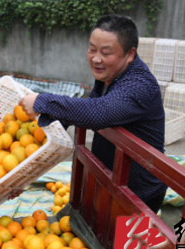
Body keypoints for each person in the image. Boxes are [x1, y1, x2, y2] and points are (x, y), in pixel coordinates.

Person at [19, 14, 167, 213]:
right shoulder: (110, 74)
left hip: (138, 194)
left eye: (106, 53)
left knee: (125, 244)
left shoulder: (139, 86)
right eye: (92, 49)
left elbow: (100, 112)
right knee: (89, 236)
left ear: (130, 54)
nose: (96, 59)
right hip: (109, 180)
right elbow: (86, 107)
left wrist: (42, 101)